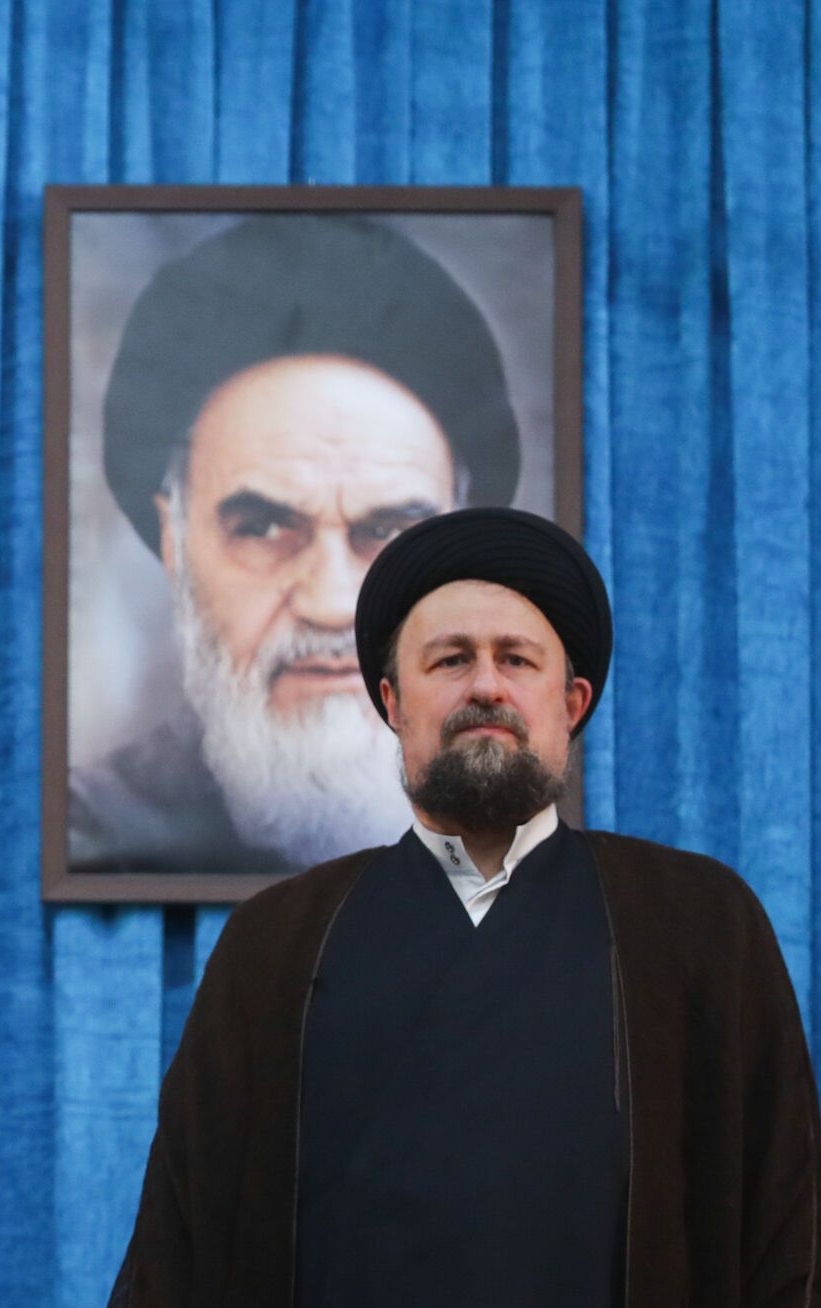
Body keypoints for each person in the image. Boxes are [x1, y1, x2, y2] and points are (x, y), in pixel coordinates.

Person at [94, 508, 821, 1308]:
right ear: (391, 700)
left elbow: (788, 1265)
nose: (485, 684)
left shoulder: (700, 928)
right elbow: (176, 1271)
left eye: (517, 658)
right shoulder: (276, 945)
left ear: (572, 701)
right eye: (449, 659)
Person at [71, 215, 526, 874]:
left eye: (390, 534)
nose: (334, 602)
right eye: (264, 528)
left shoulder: (535, 828)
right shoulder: (94, 838)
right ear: (175, 544)